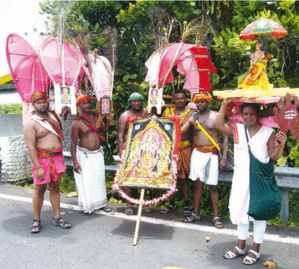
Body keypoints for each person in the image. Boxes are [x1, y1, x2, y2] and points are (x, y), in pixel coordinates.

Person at [215, 99, 287, 265]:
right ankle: (240, 246)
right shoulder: (237, 128)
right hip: (241, 177)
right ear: (241, 115)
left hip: (260, 178)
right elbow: (219, 125)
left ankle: (256, 248)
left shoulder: (268, 131)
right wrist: (224, 104)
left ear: (258, 115)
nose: (248, 117)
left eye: (251, 114)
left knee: (259, 212)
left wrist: (281, 145)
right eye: (245, 114)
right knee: (241, 211)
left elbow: (273, 156)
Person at [23, 92, 71, 233]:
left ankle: (57, 217)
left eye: (44, 102)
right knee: (40, 189)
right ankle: (36, 219)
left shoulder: (53, 116)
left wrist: (58, 102)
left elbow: (61, 98)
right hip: (41, 160)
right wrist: (38, 167)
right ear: (33, 105)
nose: (42, 105)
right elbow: (31, 147)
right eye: (39, 102)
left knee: (55, 189)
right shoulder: (31, 123)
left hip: (57, 158)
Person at [181, 92, 228, 228]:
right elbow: (180, 131)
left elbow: (225, 137)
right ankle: (196, 213)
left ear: (208, 102)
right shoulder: (192, 118)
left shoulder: (215, 117)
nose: (200, 104)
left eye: (203, 101)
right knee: (197, 184)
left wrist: (224, 157)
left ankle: (216, 216)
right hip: (197, 153)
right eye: (198, 102)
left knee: (212, 186)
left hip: (211, 154)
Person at [70, 95, 112, 214]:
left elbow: (104, 131)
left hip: (97, 153)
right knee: (88, 181)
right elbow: (72, 143)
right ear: (79, 106)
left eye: (88, 103)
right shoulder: (77, 122)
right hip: (84, 155)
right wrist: (74, 162)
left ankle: (102, 203)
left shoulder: (96, 116)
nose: (87, 105)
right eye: (84, 103)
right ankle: (88, 205)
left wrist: (107, 122)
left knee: (99, 179)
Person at [117, 92, 153, 215]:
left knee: (145, 176)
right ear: (130, 103)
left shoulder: (147, 112)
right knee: (129, 177)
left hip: (146, 151)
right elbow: (120, 136)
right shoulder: (124, 116)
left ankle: (142, 202)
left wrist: (151, 117)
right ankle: (128, 204)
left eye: (138, 101)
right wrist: (122, 153)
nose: (136, 103)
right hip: (130, 151)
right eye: (134, 101)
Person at [160, 90, 193, 217]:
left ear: (185, 99)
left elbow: (186, 129)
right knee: (170, 177)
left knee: (184, 178)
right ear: (174, 99)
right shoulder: (167, 112)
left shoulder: (190, 113)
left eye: (182, 98)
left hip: (184, 148)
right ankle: (171, 203)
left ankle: (186, 204)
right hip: (169, 148)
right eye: (177, 98)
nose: (179, 100)